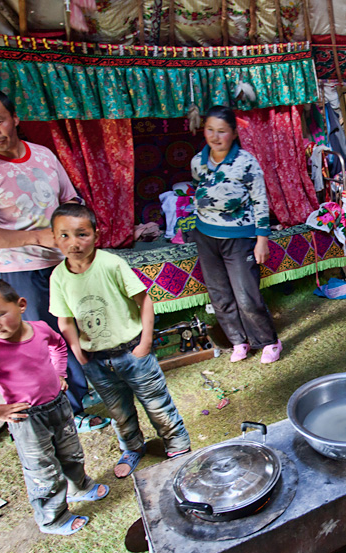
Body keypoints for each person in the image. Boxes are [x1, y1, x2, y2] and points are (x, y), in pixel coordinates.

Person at [0, 85, 108, 433]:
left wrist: (79, 234)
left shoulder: (43, 156)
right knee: (42, 340)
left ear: (14, 119)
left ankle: (84, 391)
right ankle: (65, 410)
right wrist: (33, 237)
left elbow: (70, 201)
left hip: (64, 262)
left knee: (77, 327)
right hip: (21, 269)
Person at [0, 279, 108, 535]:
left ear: (21, 305)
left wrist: (59, 373)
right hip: (28, 419)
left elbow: (58, 345)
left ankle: (79, 488)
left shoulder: (40, 329)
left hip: (58, 406)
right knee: (44, 471)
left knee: (71, 453)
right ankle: (53, 519)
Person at [48, 203, 191, 478]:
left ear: (96, 235)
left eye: (82, 234)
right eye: (64, 235)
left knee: (158, 404)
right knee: (119, 412)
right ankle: (132, 447)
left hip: (132, 353)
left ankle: (178, 446)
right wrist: (77, 351)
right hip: (95, 361)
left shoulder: (111, 264)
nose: (74, 243)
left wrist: (145, 342)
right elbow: (64, 320)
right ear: (54, 238)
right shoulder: (58, 277)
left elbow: (144, 300)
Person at [188, 105, 282, 364]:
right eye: (209, 130)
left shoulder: (246, 162)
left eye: (222, 131)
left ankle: (269, 342)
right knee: (219, 295)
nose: (215, 137)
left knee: (246, 295)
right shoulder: (198, 161)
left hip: (239, 238)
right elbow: (200, 191)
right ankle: (239, 341)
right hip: (206, 236)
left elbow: (260, 201)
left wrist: (262, 239)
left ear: (233, 133)